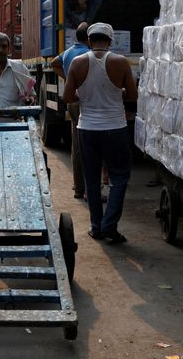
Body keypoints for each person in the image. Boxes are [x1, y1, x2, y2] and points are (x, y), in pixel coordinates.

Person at [63, 22, 137, 244]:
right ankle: (109, 226)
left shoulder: (77, 63)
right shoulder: (120, 62)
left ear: (88, 40)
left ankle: (96, 227)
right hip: (115, 128)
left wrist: (87, 96)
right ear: (111, 41)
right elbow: (133, 95)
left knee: (92, 180)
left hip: (87, 129)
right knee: (119, 177)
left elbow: (68, 98)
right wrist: (115, 94)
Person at [51, 22, 90, 199]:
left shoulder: (68, 52)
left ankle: (79, 187)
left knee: (76, 145)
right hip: (85, 100)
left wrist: (67, 79)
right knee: (91, 145)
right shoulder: (88, 54)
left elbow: (54, 63)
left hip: (72, 102)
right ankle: (91, 189)